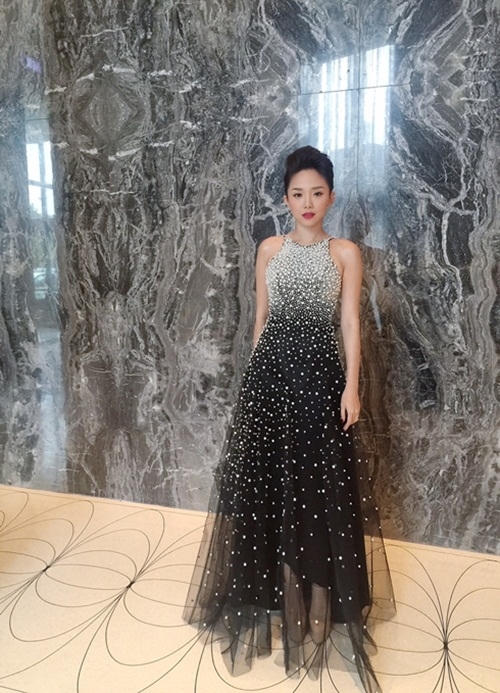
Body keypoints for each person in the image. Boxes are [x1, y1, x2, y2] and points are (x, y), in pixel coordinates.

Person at [182, 145, 396, 693]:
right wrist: (255, 384)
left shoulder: (344, 252)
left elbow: (350, 323)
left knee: (316, 489)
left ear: (331, 197)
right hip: (271, 380)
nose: (307, 202)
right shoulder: (269, 249)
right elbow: (260, 318)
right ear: (285, 198)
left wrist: (351, 386)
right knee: (268, 488)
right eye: (298, 193)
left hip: (320, 381)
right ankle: (270, 594)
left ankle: (318, 598)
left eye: (317, 193)